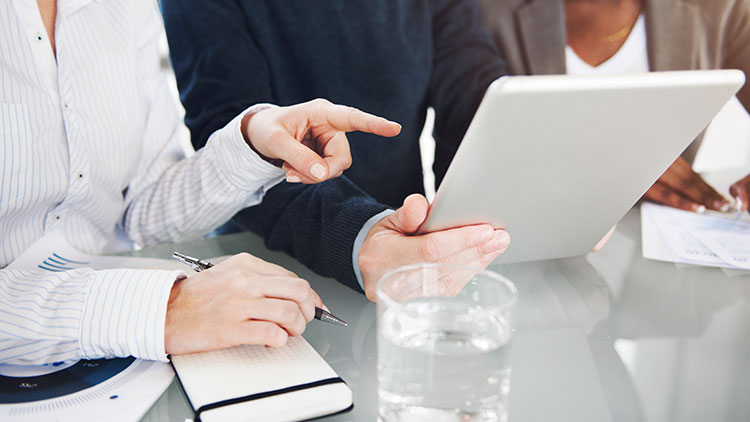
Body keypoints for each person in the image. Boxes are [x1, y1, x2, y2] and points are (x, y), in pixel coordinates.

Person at [0, 0, 403, 364]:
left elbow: (140, 210)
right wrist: (164, 309)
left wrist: (253, 145)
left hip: (120, 355)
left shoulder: (123, 8)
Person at [161, 0, 513, 300]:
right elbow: (229, 134)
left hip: (411, 242)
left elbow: (468, 86)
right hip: (259, 260)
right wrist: (360, 237)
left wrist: (469, 206)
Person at [478, 0, 750, 214]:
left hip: (659, 244)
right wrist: (610, 164)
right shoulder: (479, 10)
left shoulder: (721, 6)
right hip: (522, 234)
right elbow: (468, 150)